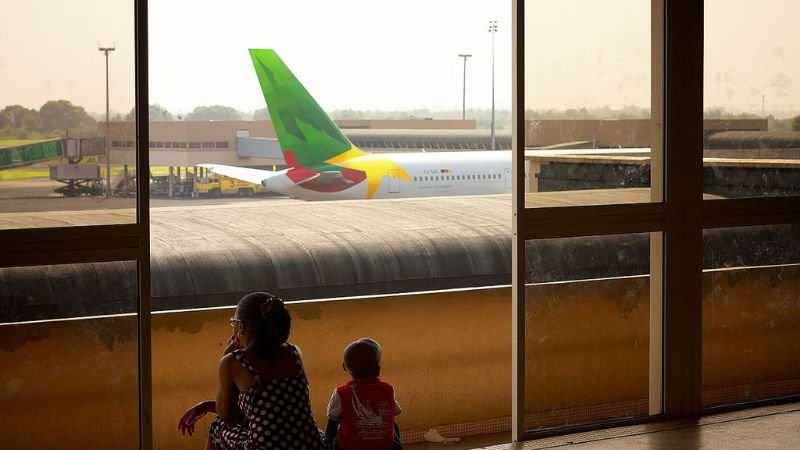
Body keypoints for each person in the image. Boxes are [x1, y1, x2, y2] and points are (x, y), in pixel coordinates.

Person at [178, 292, 323, 450]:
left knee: (218, 426)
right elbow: (267, 410)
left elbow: (226, 414)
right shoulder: (294, 352)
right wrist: (206, 405)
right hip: (309, 444)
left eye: (233, 323)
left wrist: (226, 358)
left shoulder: (233, 361)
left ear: (241, 327)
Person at [324, 338, 403, 450]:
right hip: (385, 447)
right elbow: (395, 412)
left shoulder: (341, 393)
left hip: (350, 447)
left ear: (344, 367)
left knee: (329, 440)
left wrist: (327, 441)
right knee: (394, 427)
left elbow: (331, 428)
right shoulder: (388, 389)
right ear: (378, 369)